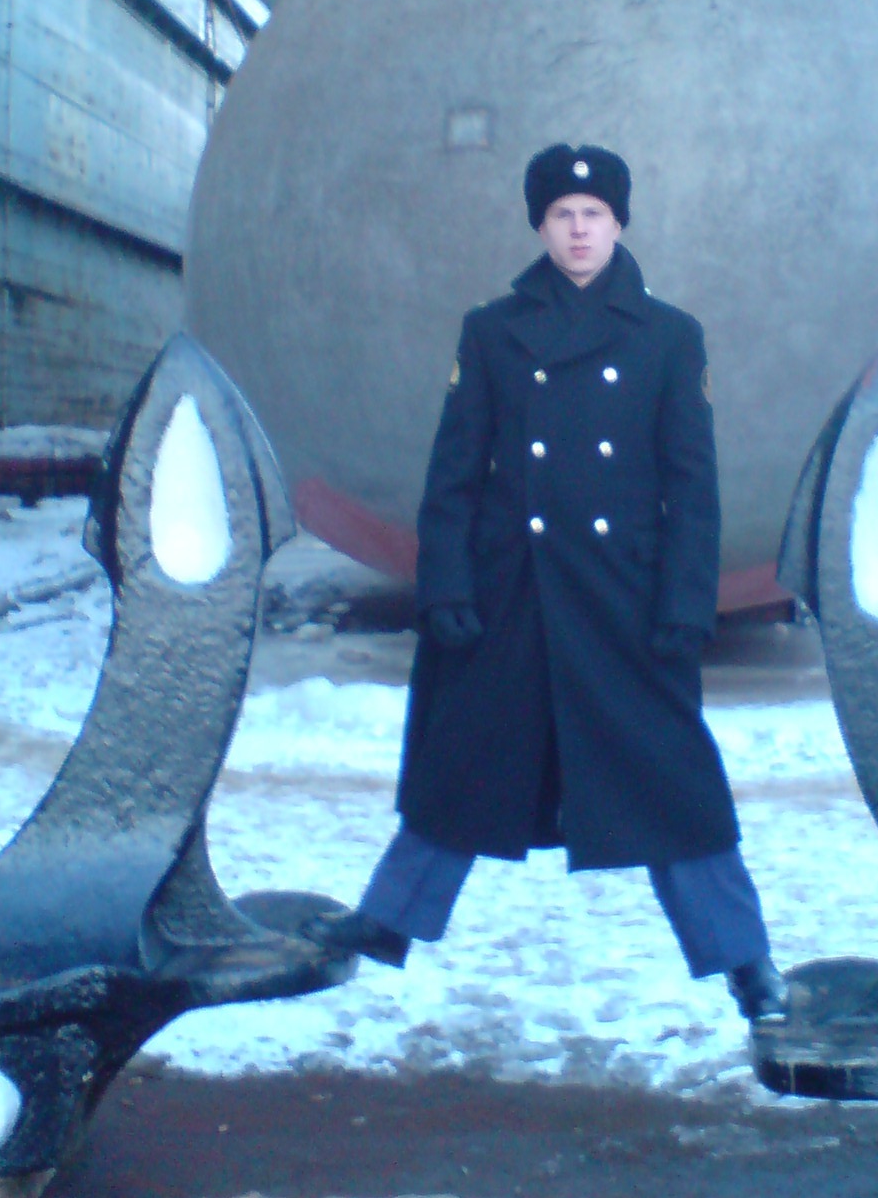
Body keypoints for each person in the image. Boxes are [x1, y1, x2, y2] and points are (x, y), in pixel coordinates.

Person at [322, 143, 788, 1022]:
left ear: (619, 222)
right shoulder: (492, 331)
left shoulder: (669, 337)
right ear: (541, 225)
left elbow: (692, 489)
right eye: (563, 215)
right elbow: (455, 473)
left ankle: (745, 960)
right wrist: (447, 584)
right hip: (513, 589)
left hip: (623, 596)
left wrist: (687, 603)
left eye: (594, 215)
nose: (579, 231)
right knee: (463, 759)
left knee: (672, 779)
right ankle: (387, 920)